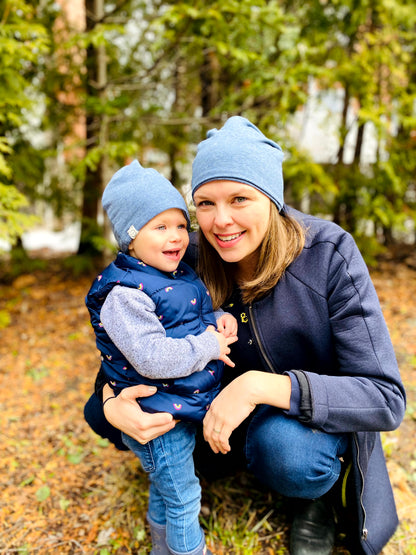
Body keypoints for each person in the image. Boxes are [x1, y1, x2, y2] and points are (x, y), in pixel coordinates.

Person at [84, 117, 406, 555]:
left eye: (240, 198)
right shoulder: (184, 257)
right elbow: (130, 353)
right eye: (205, 203)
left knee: (291, 455)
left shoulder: (329, 255)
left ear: (272, 199)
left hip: (295, 424)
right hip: (207, 410)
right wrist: (110, 407)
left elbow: (385, 397)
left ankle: (316, 500)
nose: (221, 221)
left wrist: (256, 387)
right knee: (145, 426)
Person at [85, 159, 238, 555]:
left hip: (175, 404)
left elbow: (188, 318)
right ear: (130, 238)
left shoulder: (172, 274)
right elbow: (151, 356)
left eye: (179, 224)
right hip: (154, 415)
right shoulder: (124, 295)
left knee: (166, 488)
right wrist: (208, 347)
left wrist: (218, 320)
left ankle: (161, 544)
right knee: (184, 496)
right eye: (160, 227)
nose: (176, 237)